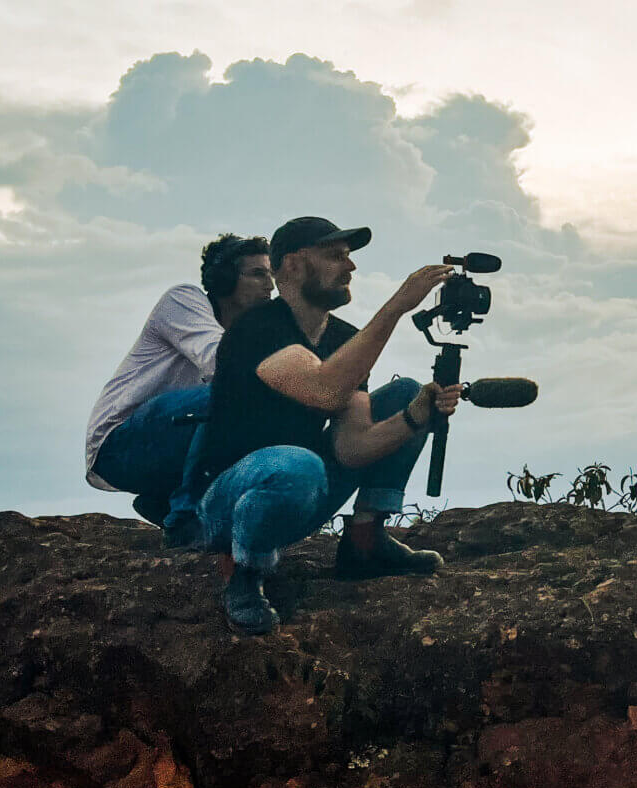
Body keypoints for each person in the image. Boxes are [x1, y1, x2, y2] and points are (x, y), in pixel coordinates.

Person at [192, 215, 465, 634]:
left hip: (299, 492)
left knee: (405, 393)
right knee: (295, 464)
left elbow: (353, 448)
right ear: (293, 266)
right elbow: (324, 391)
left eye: (349, 257)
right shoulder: (258, 327)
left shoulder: (343, 337)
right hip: (228, 503)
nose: (350, 266)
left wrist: (416, 417)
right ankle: (241, 573)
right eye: (335, 256)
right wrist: (396, 307)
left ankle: (365, 542)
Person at [85, 233, 274, 542]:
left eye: (271, 275)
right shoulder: (183, 301)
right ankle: (185, 520)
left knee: (269, 412)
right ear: (224, 279)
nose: (270, 285)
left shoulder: (250, 334)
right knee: (242, 395)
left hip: (167, 447)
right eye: (257, 274)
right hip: (118, 445)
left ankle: (163, 500)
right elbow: (221, 362)